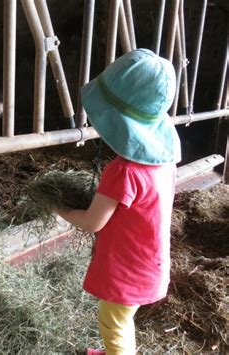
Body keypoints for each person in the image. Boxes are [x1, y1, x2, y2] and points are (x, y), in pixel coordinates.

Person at [54, 48, 181, 355]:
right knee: (122, 320)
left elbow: (91, 221)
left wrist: (56, 206)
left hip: (128, 269)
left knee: (113, 323)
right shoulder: (164, 164)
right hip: (151, 262)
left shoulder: (122, 171)